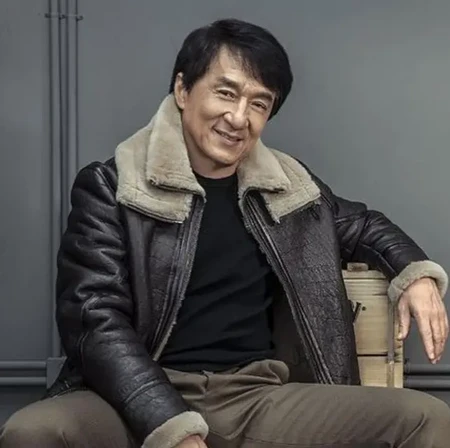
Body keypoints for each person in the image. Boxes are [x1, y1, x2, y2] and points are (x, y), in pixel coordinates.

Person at [1, 18, 449, 448]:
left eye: (259, 104)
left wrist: (415, 273)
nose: (238, 117)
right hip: (140, 397)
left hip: (256, 398)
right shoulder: (112, 186)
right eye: (226, 93)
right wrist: (169, 424)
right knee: (34, 432)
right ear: (182, 90)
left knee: (426, 418)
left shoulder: (288, 188)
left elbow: (362, 224)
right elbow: (94, 320)